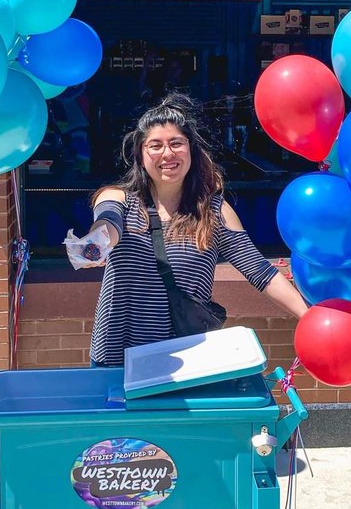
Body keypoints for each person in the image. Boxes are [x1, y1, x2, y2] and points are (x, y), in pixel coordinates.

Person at [66, 93, 310, 366]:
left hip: (186, 360)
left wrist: (309, 317)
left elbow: (260, 272)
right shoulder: (119, 199)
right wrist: (93, 246)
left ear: (191, 149)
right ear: (140, 154)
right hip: (116, 358)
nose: (167, 154)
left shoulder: (214, 212)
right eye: (155, 145)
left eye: (176, 144)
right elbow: (107, 224)